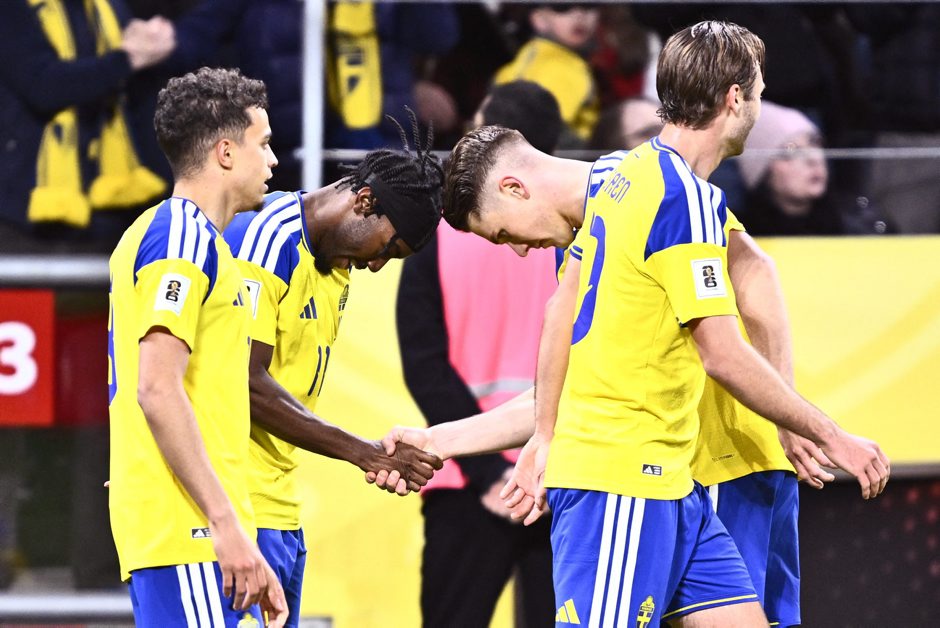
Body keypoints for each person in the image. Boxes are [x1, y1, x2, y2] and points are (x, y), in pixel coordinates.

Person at [376, 20, 890, 627]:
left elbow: (569, 322)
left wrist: (513, 436)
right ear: (736, 98)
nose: (516, 250)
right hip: (629, 481)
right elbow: (706, 347)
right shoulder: (647, 188)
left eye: (504, 233)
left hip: (683, 481)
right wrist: (829, 433)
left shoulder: (627, 190)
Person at [220, 112, 445, 626]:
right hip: (234, 507)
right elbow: (244, 381)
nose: (376, 265)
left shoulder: (335, 265)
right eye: (386, 248)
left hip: (278, 508)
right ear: (364, 201)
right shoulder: (267, 239)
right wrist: (364, 453)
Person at [108, 67, 286, 627]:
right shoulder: (181, 240)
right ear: (226, 153)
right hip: (190, 535)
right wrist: (224, 525)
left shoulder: (170, 235)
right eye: (264, 144)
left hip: (193, 532)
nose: (273, 161)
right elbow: (156, 389)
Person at [394, 83, 560, 628]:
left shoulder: (443, 232)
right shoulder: (582, 237)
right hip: (559, 476)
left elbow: (425, 364)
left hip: (466, 480)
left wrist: (488, 472)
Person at [0, 0, 175, 252]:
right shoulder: (11, 7)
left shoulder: (107, 7)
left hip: (109, 208)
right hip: (25, 212)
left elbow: (135, 92)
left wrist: (153, 42)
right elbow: (43, 85)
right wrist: (129, 57)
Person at [737, 100, 892, 236]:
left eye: (814, 142)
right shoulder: (739, 238)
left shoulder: (861, 223)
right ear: (762, 173)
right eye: (790, 150)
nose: (813, 158)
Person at [492, 3, 600, 147]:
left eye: (588, 5)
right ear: (539, 19)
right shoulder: (562, 65)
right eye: (562, 7)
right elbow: (540, 132)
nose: (579, 14)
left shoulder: (530, 53)